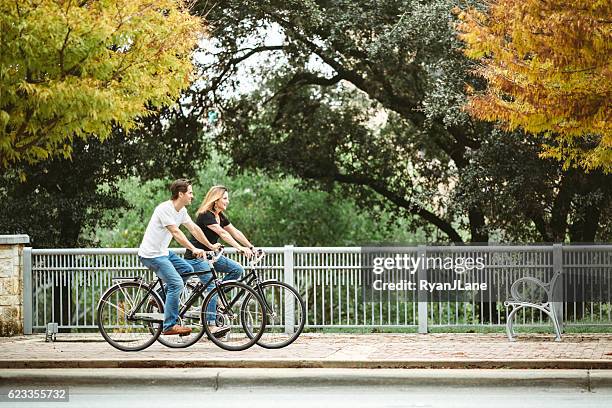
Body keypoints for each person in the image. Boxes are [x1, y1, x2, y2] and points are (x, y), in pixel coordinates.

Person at [138, 178, 224, 336]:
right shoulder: (164, 209)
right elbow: (176, 233)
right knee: (177, 284)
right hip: (151, 255)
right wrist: (193, 248)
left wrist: (210, 246)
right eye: (190, 193)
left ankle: (159, 297)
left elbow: (194, 229)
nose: (193, 196)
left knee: (187, 269)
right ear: (180, 194)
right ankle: (169, 325)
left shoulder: (182, 211)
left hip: (163, 251)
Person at [184, 185, 255, 322]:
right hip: (197, 258)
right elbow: (223, 233)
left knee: (237, 269)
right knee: (212, 288)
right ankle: (211, 323)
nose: (227, 201)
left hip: (211, 257)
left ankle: (215, 298)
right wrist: (239, 248)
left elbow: (234, 232)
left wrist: (250, 246)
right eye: (225, 198)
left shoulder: (220, 216)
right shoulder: (206, 215)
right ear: (216, 200)